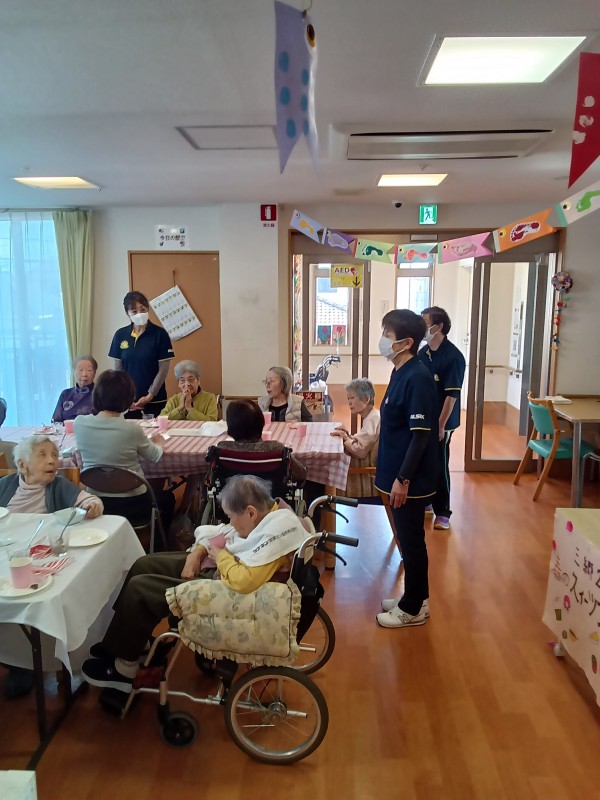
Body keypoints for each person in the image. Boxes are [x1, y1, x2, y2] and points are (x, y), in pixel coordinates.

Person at [80, 474, 309, 692]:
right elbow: (223, 533)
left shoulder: (277, 533)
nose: (230, 522)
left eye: (231, 516)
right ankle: (131, 643)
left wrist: (221, 556)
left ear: (250, 512)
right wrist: (196, 553)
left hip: (225, 587)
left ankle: (124, 668)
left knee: (140, 588)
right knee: (143, 564)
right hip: (216, 565)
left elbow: (244, 581)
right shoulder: (266, 513)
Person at [0, 435, 103, 699]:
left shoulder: (58, 485)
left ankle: (31, 661)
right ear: (22, 465)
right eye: (43, 455)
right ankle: (12, 657)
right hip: (8, 552)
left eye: (55, 455)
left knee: (31, 599)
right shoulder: (6, 485)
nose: (52, 461)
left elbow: (88, 499)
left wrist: (92, 504)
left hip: (42, 557)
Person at [374, 309, 438, 630]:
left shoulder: (418, 377)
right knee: (408, 539)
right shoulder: (400, 371)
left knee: (410, 542)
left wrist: (403, 479)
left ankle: (412, 608)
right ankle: (418, 598)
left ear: (407, 342)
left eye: (387, 335)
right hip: (396, 471)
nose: (383, 341)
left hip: (409, 478)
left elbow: (421, 435)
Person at [74, 370, 175, 541]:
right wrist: (158, 443)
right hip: (133, 504)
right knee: (168, 498)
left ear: (96, 395)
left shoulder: (79, 423)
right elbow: (154, 456)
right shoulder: (131, 429)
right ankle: (156, 546)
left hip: (95, 501)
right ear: (127, 399)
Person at [418, 306, 466, 531]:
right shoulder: (423, 354)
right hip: (424, 418)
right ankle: (427, 500)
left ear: (439, 327)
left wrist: (440, 425)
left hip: (443, 421)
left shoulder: (453, 357)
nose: (422, 328)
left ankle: (443, 512)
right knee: (422, 460)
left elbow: (451, 396)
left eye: (425, 323)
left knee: (438, 463)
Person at [108, 291, 174, 418]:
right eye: (134, 311)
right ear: (127, 313)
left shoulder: (160, 335)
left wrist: (150, 395)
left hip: (155, 400)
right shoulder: (120, 335)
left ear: (148, 308)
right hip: (130, 401)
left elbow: (163, 370)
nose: (139, 314)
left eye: (143, 309)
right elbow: (118, 370)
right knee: (131, 430)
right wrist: (125, 395)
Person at [219, 399, 307, 483]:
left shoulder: (221, 449)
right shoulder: (276, 449)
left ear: (230, 428)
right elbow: (301, 474)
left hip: (232, 493)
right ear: (261, 422)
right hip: (271, 494)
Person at [330, 378, 381, 500]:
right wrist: (348, 435)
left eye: (352, 398)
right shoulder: (372, 415)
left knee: (330, 466)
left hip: (369, 471)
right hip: (368, 464)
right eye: (348, 399)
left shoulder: (373, 418)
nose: (349, 402)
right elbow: (364, 440)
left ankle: (326, 505)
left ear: (366, 399)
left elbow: (360, 450)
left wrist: (345, 438)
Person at [52, 355, 98, 423]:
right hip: (66, 429)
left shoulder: (100, 394)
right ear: (73, 372)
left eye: (89, 370)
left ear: (95, 373)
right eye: (81, 370)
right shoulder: (65, 394)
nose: (84, 374)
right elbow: (55, 421)